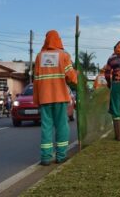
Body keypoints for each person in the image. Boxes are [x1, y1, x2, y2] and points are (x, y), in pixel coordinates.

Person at [33, 30, 77, 166]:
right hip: (60, 97)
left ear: (46, 40)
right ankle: (61, 156)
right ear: (58, 40)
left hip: (45, 98)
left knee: (46, 127)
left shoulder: (39, 57)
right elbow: (71, 77)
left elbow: (36, 80)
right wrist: (77, 81)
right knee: (62, 126)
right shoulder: (64, 55)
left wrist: (36, 99)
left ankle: (46, 158)